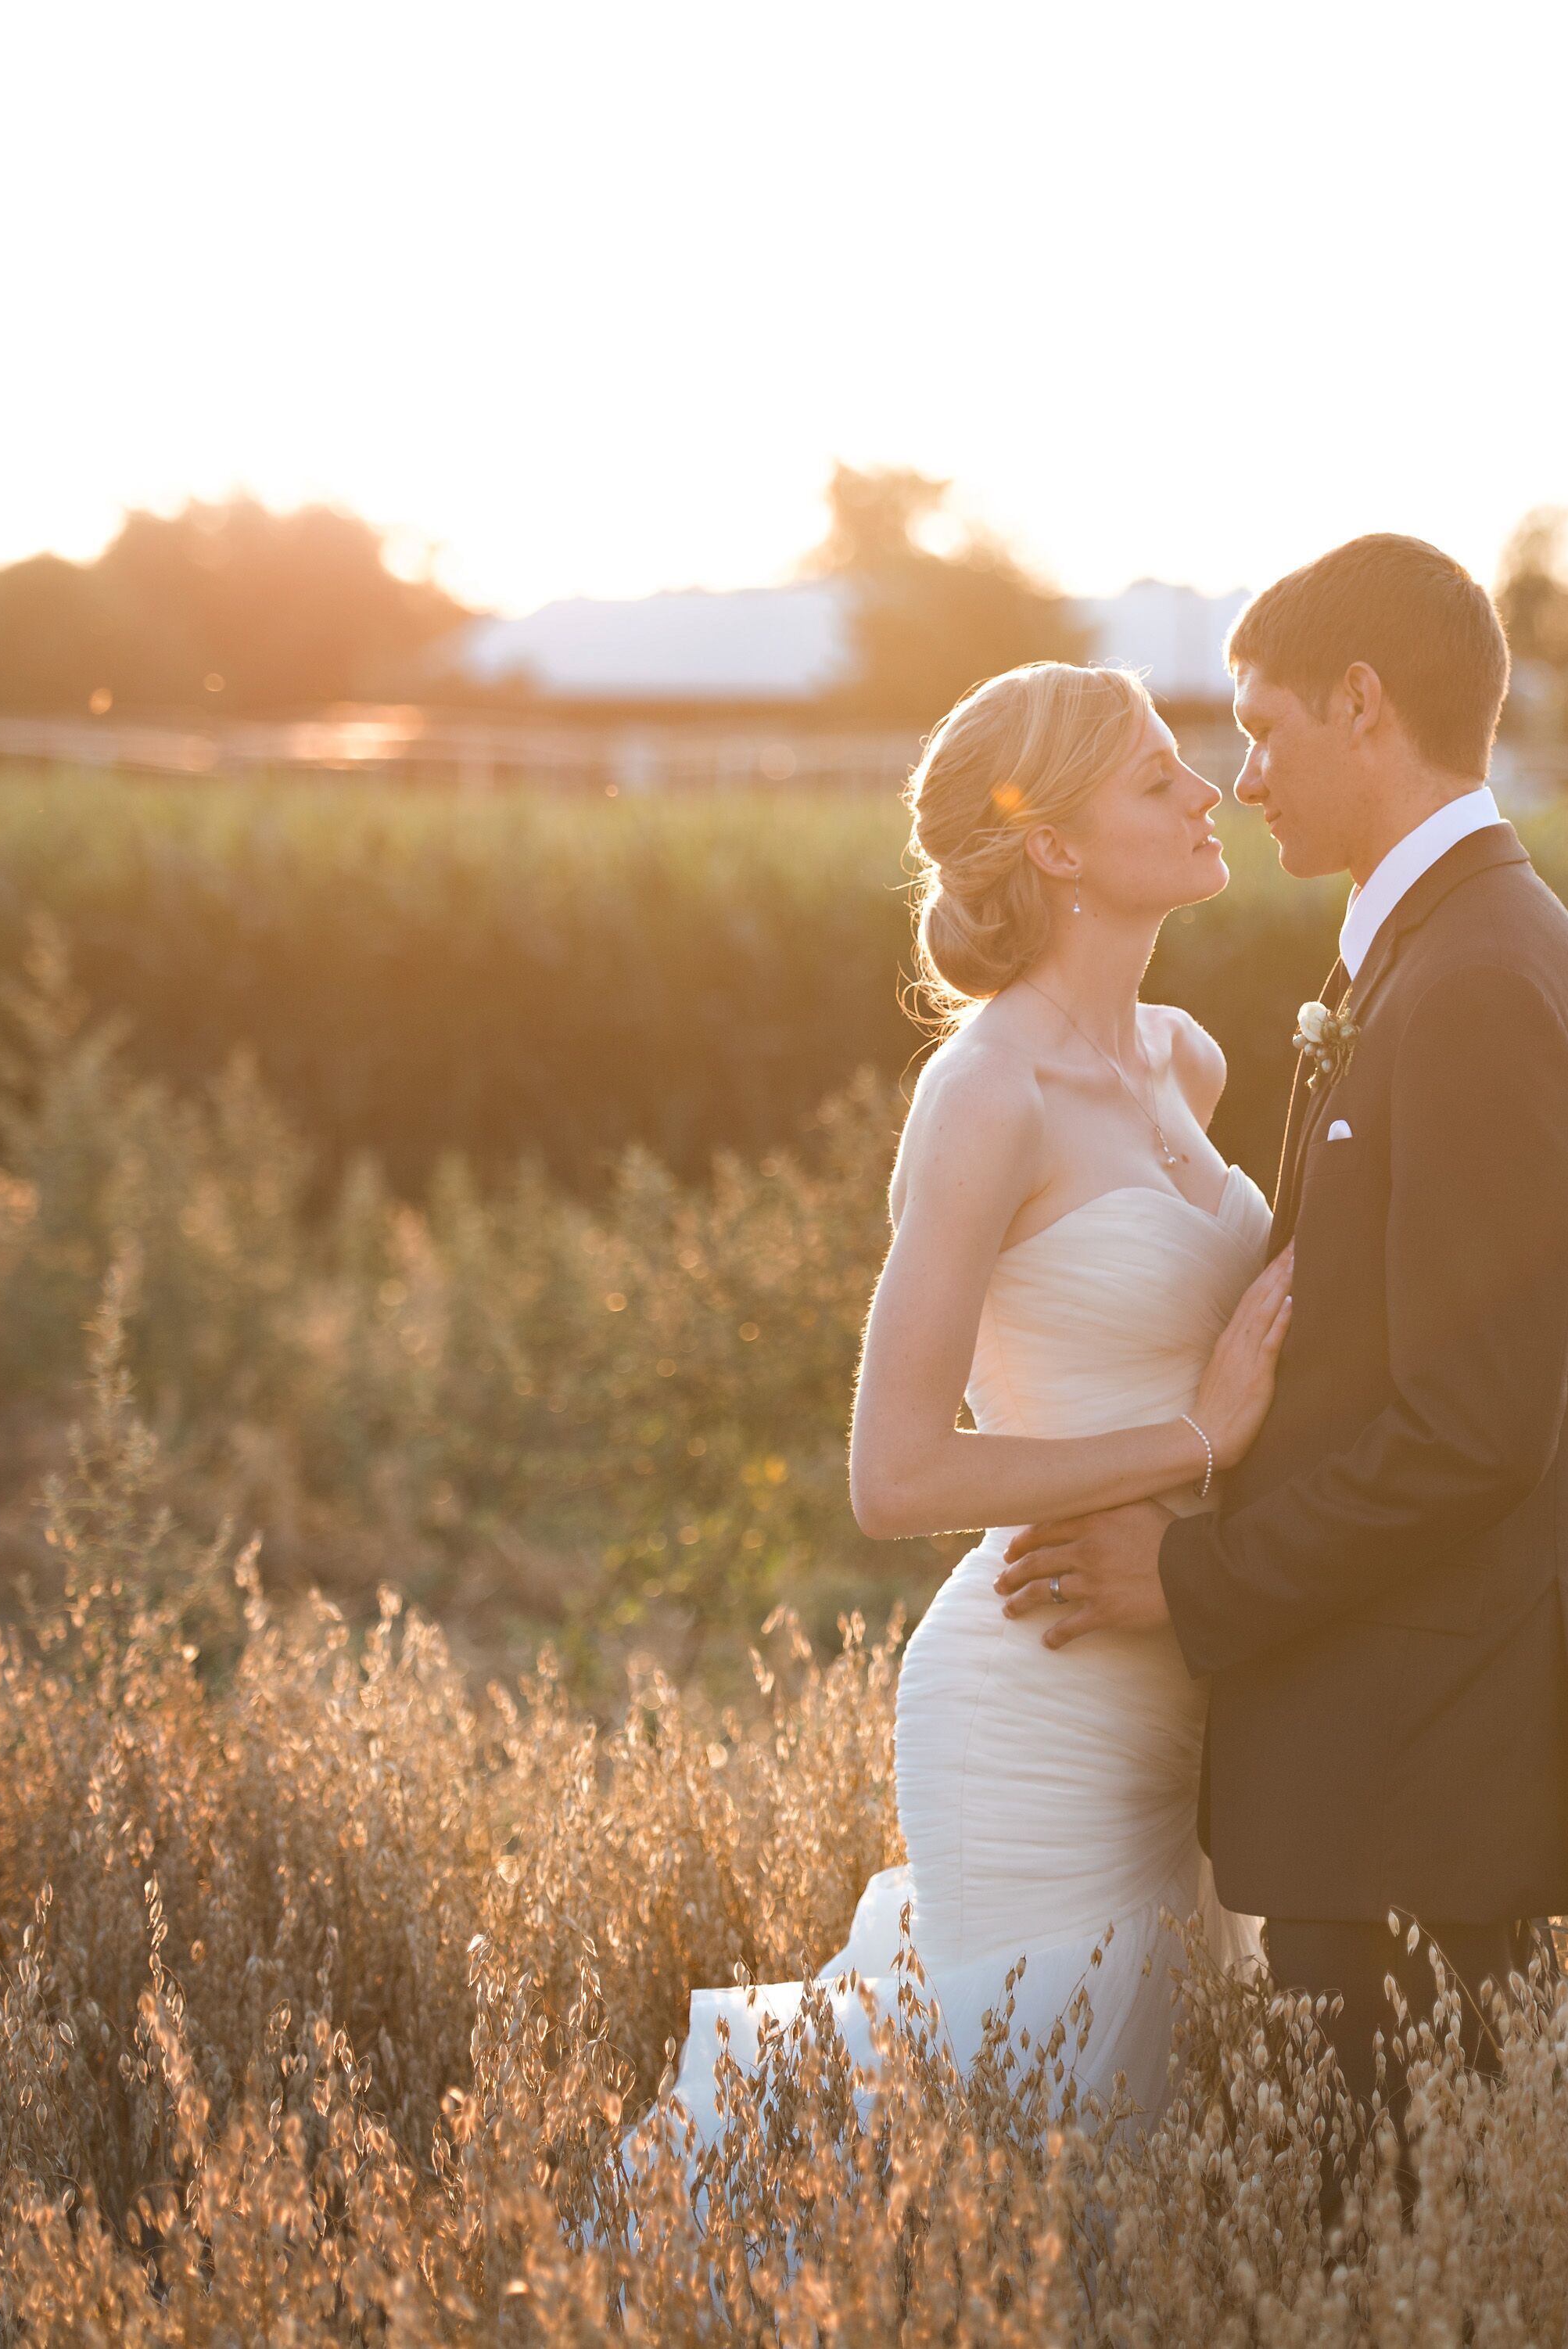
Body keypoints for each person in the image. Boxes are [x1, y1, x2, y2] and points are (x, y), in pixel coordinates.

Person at [1000, 534, 1568, 2110]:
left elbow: (1483, 1421)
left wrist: (1197, 1569)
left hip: (1414, 1774)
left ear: (1364, 704)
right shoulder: (1471, 947)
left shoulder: (1478, 978)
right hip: (1406, 1761)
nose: (1249, 772)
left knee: (1387, 2248)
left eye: (1266, 726)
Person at [640, 659, 1292, 2147]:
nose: (1208, 791)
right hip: (1042, 1686)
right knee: (1032, 2152)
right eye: (1154, 778)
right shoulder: (986, 1092)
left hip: (1186, 1667)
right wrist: (1199, 1440)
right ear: (1053, 847)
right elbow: (896, 1472)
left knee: (1161, 2152)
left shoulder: (1183, 1059)